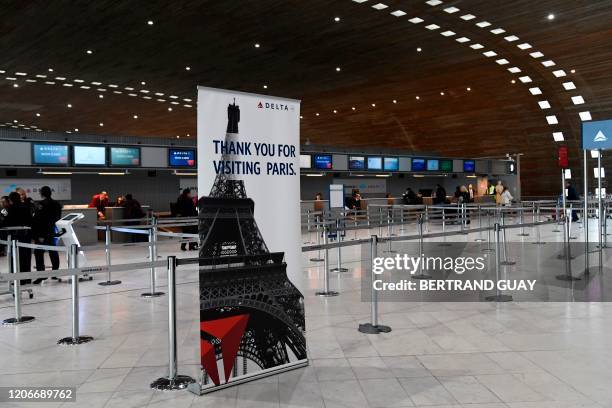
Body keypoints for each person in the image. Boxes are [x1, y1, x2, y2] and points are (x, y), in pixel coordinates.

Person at [31, 186, 62, 284]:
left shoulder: (40, 205)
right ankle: (54, 272)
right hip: (51, 231)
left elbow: (37, 220)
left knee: (39, 254)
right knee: (53, 252)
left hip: (41, 233)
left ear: (41, 194)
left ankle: (41, 276)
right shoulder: (57, 204)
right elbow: (57, 218)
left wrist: (38, 234)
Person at [5, 192, 32, 283]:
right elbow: (31, 221)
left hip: (15, 237)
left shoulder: (8, 209)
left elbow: (3, 221)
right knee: (26, 257)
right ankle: (27, 278)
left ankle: (17, 278)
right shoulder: (26, 207)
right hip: (26, 236)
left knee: (16, 257)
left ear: (10, 200)